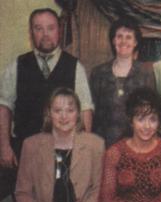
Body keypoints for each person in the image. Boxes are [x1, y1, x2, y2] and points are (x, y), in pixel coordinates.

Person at [0, 8, 94, 168]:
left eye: (51, 28)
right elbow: (4, 107)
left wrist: (83, 150)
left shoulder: (75, 67)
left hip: (64, 154)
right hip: (24, 152)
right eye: (39, 28)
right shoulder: (17, 65)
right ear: (31, 33)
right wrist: (4, 147)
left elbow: (85, 110)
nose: (45, 34)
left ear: (59, 30)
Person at [90, 18, 155, 147]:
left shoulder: (146, 72)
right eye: (119, 36)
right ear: (113, 41)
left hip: (135, 144)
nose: (124, 41)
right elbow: (91, 112)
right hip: (103, 144)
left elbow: (151, 111)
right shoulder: (98, 73)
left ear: (135, 42)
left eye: (129, 37)